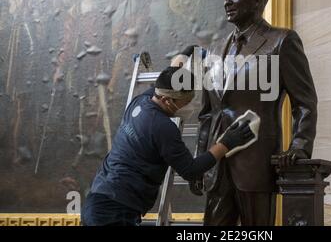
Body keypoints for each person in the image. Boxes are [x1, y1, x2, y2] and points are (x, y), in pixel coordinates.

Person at [191, 0, 318, 225]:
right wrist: (199, 160)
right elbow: (207, 114)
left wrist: (299, 147)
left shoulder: (281, 41)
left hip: (255, 162)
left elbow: (304, 102)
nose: (228, 2)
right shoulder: (215, 50)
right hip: (217, 166)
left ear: (258, 1)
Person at [81, 65, 254, 226]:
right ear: (167, 100)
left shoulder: (140, 101)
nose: (190, 106)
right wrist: (226, 143)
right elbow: (190, 170)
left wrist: (182, 59)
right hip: (115, 212)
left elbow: (165, 81)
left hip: (98, 198)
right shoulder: (163, 127)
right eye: (185, 102)